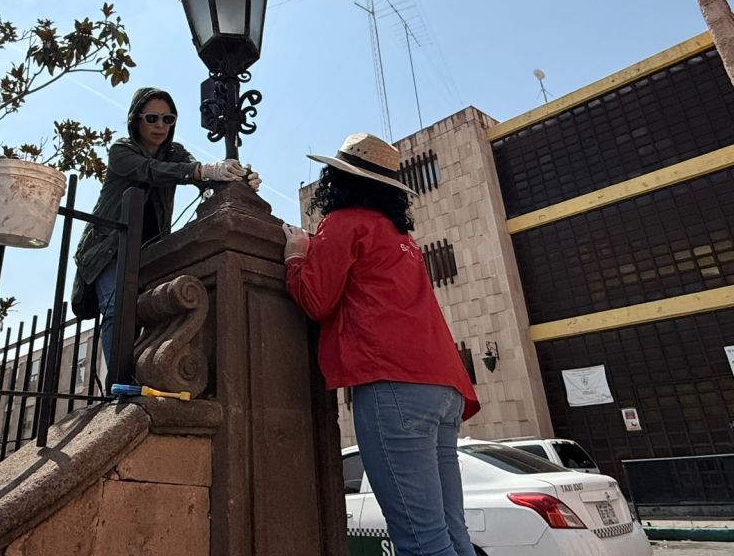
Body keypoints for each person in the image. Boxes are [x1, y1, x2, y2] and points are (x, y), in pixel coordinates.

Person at [282, 132, 480, 556]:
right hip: (444, 386)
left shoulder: (343, 223)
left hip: (393, 384)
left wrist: (296, 255)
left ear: (338, 179)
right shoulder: (401, 239)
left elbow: (316, 300)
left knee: (421, 541)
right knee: (451, 532)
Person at [71, 86, 260, 364]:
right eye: (152, 118)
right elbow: (151, 170)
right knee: (116, 308)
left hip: (149, 251)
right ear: (136, 119)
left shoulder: (176, 153)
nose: (160, 125)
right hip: (108, 250)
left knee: (150, 312)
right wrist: (201, 170)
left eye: (168, 119)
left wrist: (239, 178)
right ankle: (119, 384)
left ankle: (145, 372)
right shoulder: (121, 150)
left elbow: (201, 176)